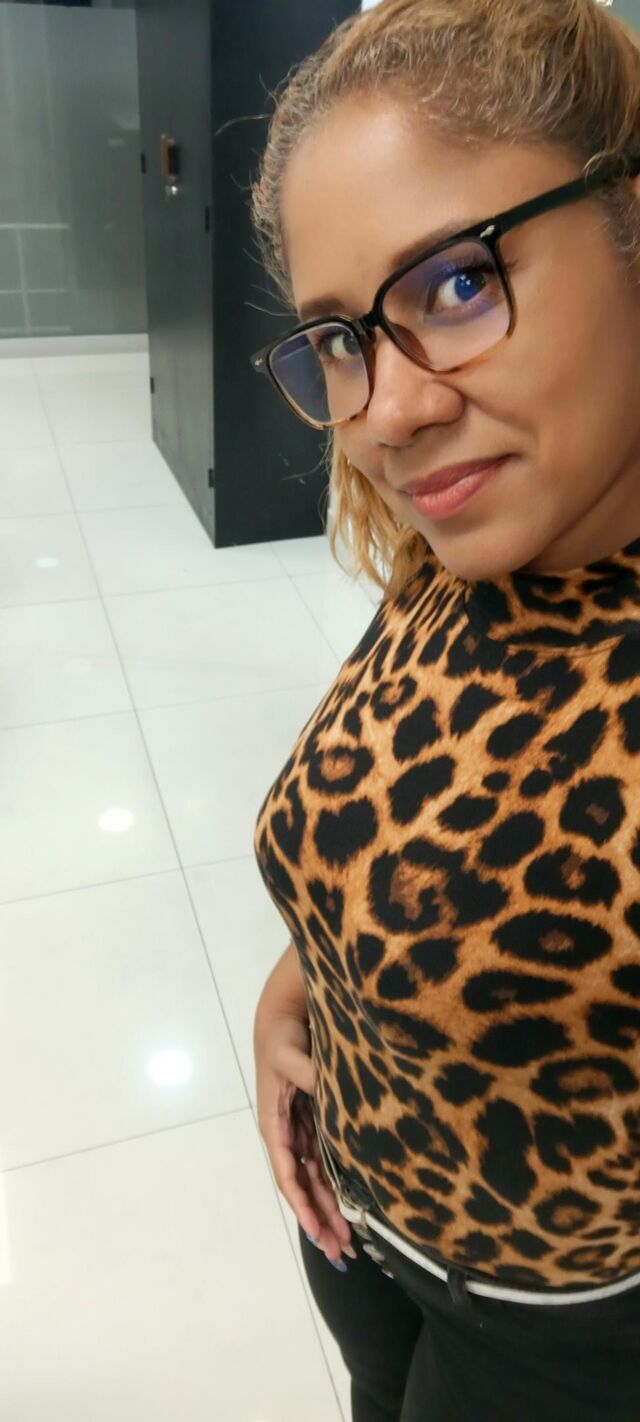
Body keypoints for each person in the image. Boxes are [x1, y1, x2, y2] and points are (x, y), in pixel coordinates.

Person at [249, 1, 640, 1418]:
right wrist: (301, 987)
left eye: (461, 283)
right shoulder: (471, 550)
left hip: (546, 1321)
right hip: (359, 1222)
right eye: (341, 338)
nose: (387, 413)